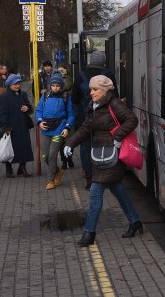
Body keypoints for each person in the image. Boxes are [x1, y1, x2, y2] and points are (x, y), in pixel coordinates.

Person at [63, 75, 141, 247]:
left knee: (95, 190)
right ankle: (135, 221)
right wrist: (70, 143)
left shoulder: (114, 103)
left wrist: (118, 136)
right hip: (99, 155)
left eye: (95, 89)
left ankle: (89, 233)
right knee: (118, 189)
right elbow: (85, 129)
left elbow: (132, 120)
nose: (91, 93)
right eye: (90, 89)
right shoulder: (93, 106)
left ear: (104, 90)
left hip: (112, 155)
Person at [71, 51, 118, 190]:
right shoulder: (108, 75)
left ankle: (90, 180)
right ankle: (104, 178)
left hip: (85, 120)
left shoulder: (80, 76)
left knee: (86, 148)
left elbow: (74, 99)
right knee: (104, 147)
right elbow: (115, 97)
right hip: (105, 120)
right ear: (103, 61)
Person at [36, 73, 75, 190]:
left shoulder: (66, 97)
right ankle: (58, 171)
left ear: (61, 86)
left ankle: (50, 180)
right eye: (53, 85)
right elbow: (38, 110)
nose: (55, 87)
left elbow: (71, 114)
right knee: (45, 156)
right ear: (50, 86)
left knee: (52, 155)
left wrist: (67, 127)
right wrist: (39, 121)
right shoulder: (45, 95)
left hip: (59, 129)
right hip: (45, 130)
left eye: (58, 85)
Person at [0, 74, 34, 178]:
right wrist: (5, 127)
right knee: (9, 148)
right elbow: (2, 114)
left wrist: (27, 108)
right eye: (15, 84)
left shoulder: (23, 95)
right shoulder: (4, 97)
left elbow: (29, 107)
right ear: (9, 84)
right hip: (11, 127)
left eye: (18, 83)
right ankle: (8, 169)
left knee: (24, 147)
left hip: (22, 125)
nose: (17, 86)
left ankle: (22, 168)